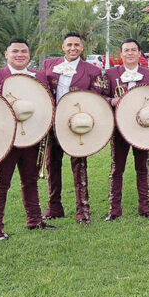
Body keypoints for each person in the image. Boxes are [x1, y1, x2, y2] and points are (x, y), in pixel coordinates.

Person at [0, 39, 56, 241]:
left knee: (30, 180)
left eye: (24, 51)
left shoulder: (39, 76)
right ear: (6, 53)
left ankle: (35, 220)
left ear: (29, 54)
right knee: (0, 183)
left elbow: (47, 102)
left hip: (32, 137)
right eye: (15, 51)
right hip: (5, 138)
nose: (20, 54)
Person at [43, 32, 105, 225]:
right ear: (63, 47)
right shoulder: (49, 65)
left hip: (79, 125)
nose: (73, 48)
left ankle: (83, 210)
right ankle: (54, 207)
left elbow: (97, 100)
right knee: (52, 165)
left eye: (77, 45)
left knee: (80, 167)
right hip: (53, 124)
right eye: (69, 45)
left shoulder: (92, 71)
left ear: (82, 48)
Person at [103, 38, 149, 220]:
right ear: (121, 54)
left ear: (139, 53)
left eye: (133, 50)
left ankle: (145, 208)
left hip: (143, 129)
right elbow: (100, 97)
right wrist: (112, 101)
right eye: (126, 50)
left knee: (143, 169)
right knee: (116, 169)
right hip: (119, 128)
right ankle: (114, 210)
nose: (130, 53)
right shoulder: (111, 74)